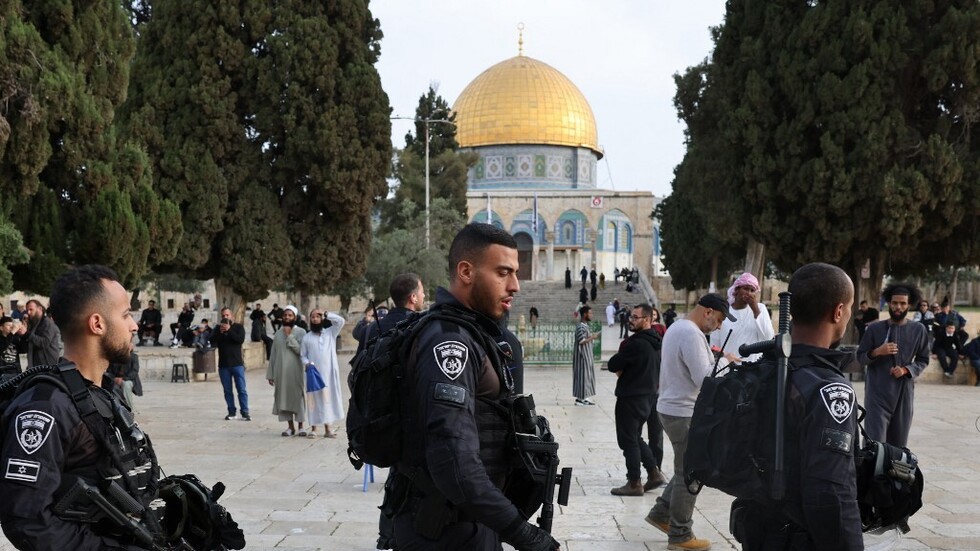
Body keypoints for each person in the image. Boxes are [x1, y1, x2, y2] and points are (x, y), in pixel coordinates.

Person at [390, 223, 559, 550]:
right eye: (503, 273)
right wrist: (524, 535)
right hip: (445, 530)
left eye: (515, 273)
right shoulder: (451, 343)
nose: (515, 286)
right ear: (466, 271)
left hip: (469, 522)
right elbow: (454, 461)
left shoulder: (474, 335)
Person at [0, 266, 159, 548]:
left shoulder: (103, 392)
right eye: (125, 315)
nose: (134, 325)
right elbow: (27, 519)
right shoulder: (47, 406)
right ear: (97, 324)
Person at [728, 262, 863, 550]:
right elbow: (831, 493)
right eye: (850, 307)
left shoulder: (764, 370)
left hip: (758, 529)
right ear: (838, 311)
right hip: (800, 538)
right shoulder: (829, 389)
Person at [645, 293, 735, 551]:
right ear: (707, 311)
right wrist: (727, 363)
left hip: (673, 408)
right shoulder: (691, 333)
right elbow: (704, 378)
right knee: (692, 474)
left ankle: (662, 513)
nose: (718, 327)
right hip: (682, 412)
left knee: (687, 466)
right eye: (718, 320)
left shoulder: (680, 328)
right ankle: (680, 535)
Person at [370, 273, 428, 550]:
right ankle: (399, 535)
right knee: (408, 479)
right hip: (409, 417)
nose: (425, 296)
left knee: (396, 475)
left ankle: (386, 535)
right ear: (413, 297)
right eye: (422, 292)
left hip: (379, 416)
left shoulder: (375, 327)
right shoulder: (419, 326)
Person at [857, 283, 930, 448]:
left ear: (909, 305)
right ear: (889, 303)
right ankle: (871, 474)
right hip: (877, 393)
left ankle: (893, 475)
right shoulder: (874, 329)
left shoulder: (918, 330)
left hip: (904, 394)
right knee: (874, 444)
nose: (898, 307)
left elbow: (923, 359)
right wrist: (877, 352)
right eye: (895, 303)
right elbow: (860, 357)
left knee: (898, 445)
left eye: (903, 303)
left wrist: (906, 369)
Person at [607, 304, 666, 496]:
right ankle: (654, 472)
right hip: (648, 397)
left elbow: (613, 364)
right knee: (635, 438)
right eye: (631, 316)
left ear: (647, 320)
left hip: (631, 397)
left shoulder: (636, 343)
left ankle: (634, 482)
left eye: (635, 317)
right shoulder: (657, 341)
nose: (630, 320)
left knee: (628, 441)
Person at [300, 308, 346, 438]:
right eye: (312, 317)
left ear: (321, 319)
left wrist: (326, 313)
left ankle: (328, 429)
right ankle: (314, 428)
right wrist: (307, 363)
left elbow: (341, 321)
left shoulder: (330, 333)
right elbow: (303, 355)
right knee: (313, 401)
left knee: (327, 400)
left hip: (329, 374)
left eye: (317, 316)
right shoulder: (306, 338)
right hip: (313, 375)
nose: (315, 319)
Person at [710, 272, 774, 363]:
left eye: (752, 291)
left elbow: (768, 337)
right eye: (746, 289)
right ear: (736, 290)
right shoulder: (723, 311)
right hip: (728, 369)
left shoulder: (760, 309)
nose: (749, 293)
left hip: (754, 369)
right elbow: (714, 345)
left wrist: (755, 310)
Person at [266, 305, 308, 436]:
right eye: (285, 315)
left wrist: (290, 337)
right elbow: (273, 354)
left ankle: (301, 426)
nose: (287, 317)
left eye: (290, 315)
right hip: (281, 373)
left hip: (296, 372)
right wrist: (270, 374)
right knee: (283, 398)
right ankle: (290, 427)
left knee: (298, 398)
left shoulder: (301, 332)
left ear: (295, 317)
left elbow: (302, 352)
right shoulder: (278, 333)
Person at [210, 308, 249, 421]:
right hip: (224, 365)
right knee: (227, 390)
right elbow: (211, 341)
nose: (225, 317)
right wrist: (220, 333)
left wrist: (230, 330)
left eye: (227, 315)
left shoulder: (238, 327)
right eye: (223, 315)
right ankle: (231, 411)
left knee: (241, 389)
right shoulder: (218, 328)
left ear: (231, 316)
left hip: (237, 364)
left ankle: (245, 412)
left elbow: (239, 340)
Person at [17, 299, 62, 368]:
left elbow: (44, 343)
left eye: (31, 309)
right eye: (27, 310)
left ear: (40, 309)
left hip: (47, 366)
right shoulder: (33, 323)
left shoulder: (47, 323)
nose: (28, 312)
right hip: (35, 366)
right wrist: (22, 335)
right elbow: (26, 347)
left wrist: (26, 333)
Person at [573, 305, 598, 406]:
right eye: (590, 313)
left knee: (587, 377)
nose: (591, 315)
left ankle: (584, 397)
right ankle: (580, 399)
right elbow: (582, 341)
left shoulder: (585, 326)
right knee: (582, 377)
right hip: (582, 358)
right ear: (584, 314)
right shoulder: (580, 327)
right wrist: (593, 337)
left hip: (587, 357)